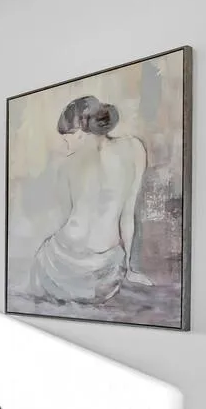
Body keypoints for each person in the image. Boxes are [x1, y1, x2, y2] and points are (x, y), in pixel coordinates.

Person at [30, 95, 152, 304]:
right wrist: (128, 269)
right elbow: (127, 214)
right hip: (89, 269)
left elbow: (66, 217)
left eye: (68, 135)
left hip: (72, 267)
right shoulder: (134, 149)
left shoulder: (70, 163)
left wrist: (128, 268)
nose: (65, 141)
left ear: (82, 131)